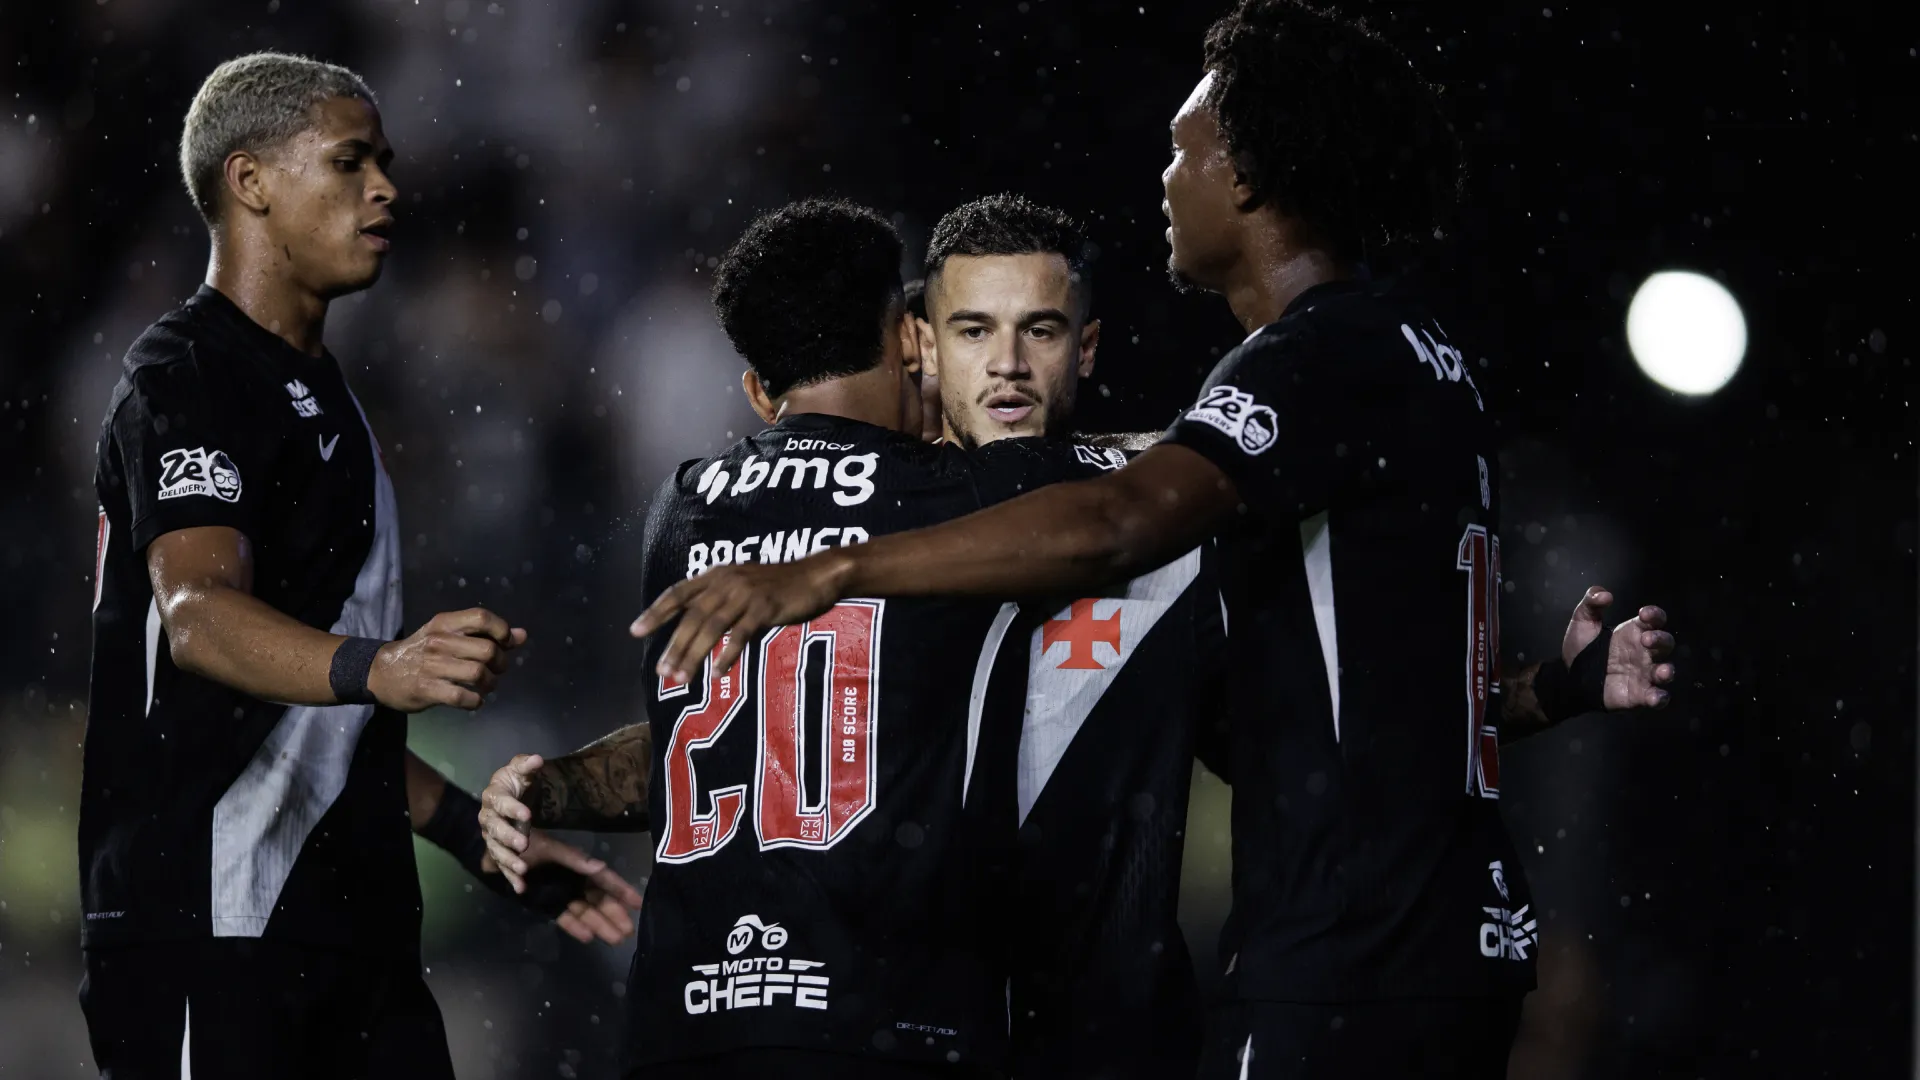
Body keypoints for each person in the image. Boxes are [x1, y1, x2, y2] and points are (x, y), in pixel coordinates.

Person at [630, 4, 1678, 1078]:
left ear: (1255, 174)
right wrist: (1551, 688)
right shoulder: (1420, 356)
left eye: (1189, 149)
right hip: (1436, 937)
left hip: (1344, 952)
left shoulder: (1309, 362)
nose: (1168, 176)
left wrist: (834, 569)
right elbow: (1361, 693)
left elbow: (1116, 523)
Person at [476, 198, 1134, 1079]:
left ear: (755, 389)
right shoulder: (967, 491)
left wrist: (552, 786)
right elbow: (1143, 494)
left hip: (685, 1024)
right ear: (913, 340)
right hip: (879, 1014)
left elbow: (741, 733)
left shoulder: (683, 506)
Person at [81, 52, 640, 1079]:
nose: (384, 187)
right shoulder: (190, 372)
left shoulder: (329, 395)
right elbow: (199, 617)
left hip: (353, 928)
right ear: (250, 181)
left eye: (383, 161)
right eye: (349, 162)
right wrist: (382, 667)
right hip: (215, 924)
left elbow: (309, 727)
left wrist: (475, 834)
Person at [916, 192, 1227, 1079]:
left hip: (1116, 1044)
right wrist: (552, 790)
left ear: (1085, 349)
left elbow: (1307, 717)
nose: (1007, 364)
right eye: (974, 331)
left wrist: (1543, 692)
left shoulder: (1174, 517)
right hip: (908, 1035)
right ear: (925, 346)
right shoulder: (852, 529)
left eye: (1040, 331)